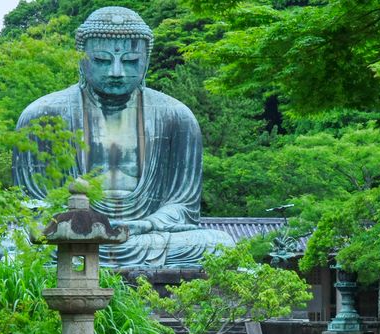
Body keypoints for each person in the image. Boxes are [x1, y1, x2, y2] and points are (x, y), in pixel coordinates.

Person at [12, 6, 234, 269]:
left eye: (129, 61)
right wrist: (73, 226)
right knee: (15, 244)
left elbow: (183, 206)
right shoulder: (42, 115)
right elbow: (32, 206)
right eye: (102, 61)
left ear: (146, 62)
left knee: (220, 245)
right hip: (70, 239)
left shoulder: (176, 117)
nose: (116, 72)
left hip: (145, 237)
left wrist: (147, 223)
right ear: (81, 60)